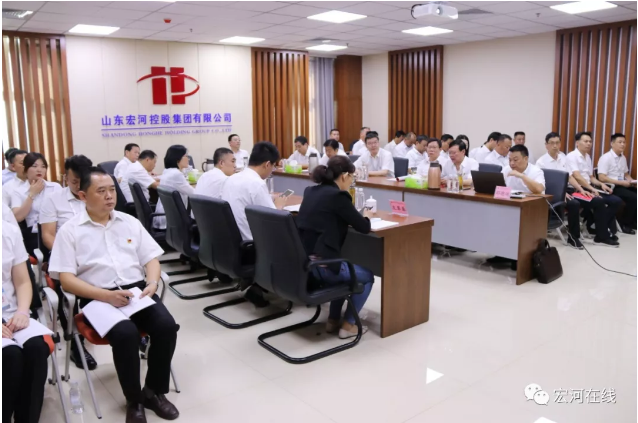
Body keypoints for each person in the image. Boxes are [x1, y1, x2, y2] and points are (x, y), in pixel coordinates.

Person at [48, 167, 179, 423]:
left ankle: (153, 392)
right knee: (126, 334)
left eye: (111, 190)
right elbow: (66, 279)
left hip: (135, 291)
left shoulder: (129, 222)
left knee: (166, 327)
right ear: (83, 196)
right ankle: (134, 400)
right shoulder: (70, 230)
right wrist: (105, 296)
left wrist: (152, 282)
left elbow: (151, 258)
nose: (109, 196)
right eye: (101, 191)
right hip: (96, 296)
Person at [296, 155, 374, 339]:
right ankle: (348, 325)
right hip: (323, 267)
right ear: (345, 175)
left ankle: (332, 320)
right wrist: (367, 216)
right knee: (367, 277)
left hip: (306, 265)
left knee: (341, 267)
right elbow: (363, 227)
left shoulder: (310, 191)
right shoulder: (339, 196)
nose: (352, 181)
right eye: (352, 177)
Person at [39, 155, 98, 369]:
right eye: (74, 181)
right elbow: (48, 236)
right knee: (67, 291)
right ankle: (75, 342)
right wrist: (70, 256)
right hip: (64, 257)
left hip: (95, 256)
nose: (78, 186)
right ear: (66, 178)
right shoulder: (53, 200)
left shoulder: (95, 196)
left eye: (83, 182)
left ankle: (121, 326)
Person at [3, 223, 49, 423]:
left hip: (10, 311)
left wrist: (22, 310)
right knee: (9, 356)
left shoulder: (7, 231)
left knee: (37, 349)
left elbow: (22, 281)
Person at [537, 132, 597, 250]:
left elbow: (569, 177)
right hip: (550, 194)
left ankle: (575, 236)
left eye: (557, 143)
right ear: (546, 145)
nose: (555, 146)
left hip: (565, 191)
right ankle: (573, 238)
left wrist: (581, 189)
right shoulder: (541, 162)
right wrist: (561, 193)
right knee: (574, 204)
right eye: (552, 143)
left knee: (579, 201)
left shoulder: (563, 157)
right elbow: (544, 185)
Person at [222, 141, 287, 241]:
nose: (272, 170)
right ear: (267, 164)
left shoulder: (231, 179)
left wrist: (269, 197)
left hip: (231, 240)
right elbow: (272, 221)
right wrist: (279, 206)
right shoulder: (257, 183)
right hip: (252, 242)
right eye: (273, 166)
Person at [567, 131, 622, 247]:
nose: (588, 144)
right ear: (577, 143)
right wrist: (592, 188)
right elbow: (577, 176)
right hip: (576, 190)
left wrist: (601, 184)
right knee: (598, 201)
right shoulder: (571, 156)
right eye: (585, 141)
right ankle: (601, 236)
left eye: (590, 141)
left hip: (588, 187)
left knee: (616, 201)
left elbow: (591, 177)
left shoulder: (587, 157)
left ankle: (596, 225)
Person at [11, 153, 62, 257]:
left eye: (43, 166)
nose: (39, 170)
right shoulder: (18, 191)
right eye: (34, 166)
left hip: (56, 229)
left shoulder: (55, 187)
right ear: (26, 169)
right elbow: (17, 217)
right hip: (34, 234)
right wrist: (32, 194)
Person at [597, 132, 636, 234]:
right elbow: (602, 177)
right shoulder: (605, 158)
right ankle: (625, 224)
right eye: (620, 142)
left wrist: (632, 181)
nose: (622, 144)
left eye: (624, 142)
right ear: (612, 143)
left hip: (622, 184)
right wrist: (621, 183)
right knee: (633, 198)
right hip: (611, 186)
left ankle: (633, 222)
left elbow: (626, 174)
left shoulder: (623, 158)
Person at [153, 145, 195, 230]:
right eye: (186, 156)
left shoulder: (167, 171)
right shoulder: (176, 174)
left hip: (165, 216)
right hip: (171, 220)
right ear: (178, 159)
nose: (188, 159)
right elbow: (194, 193)